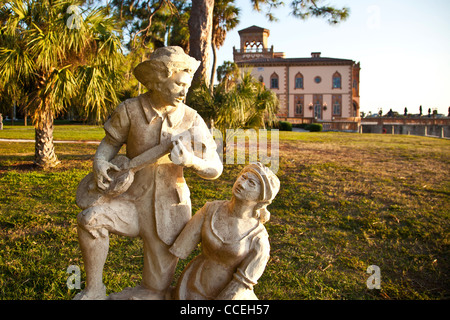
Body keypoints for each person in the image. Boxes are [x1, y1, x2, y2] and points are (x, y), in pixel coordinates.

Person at [74, 46, 223, 300]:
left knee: (155, 290)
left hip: (170, 211)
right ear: (157, 81)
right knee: (90, 220)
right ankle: (94, 289)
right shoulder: (130, 109)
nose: (184, 91)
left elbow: (215, 168)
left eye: (187, 85)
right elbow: (110, 143)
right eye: (178, 84)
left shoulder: (192, 119)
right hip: (128, 199)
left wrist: (192, 161)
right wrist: (99, 162)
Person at [169, 163, 280, 300]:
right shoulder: (210, 210)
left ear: (262, 199)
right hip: (192, 285)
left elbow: (242, 283)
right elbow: (178, 249)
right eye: (243, 177)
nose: (242, 184)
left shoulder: (258, 238)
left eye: (251, 183)